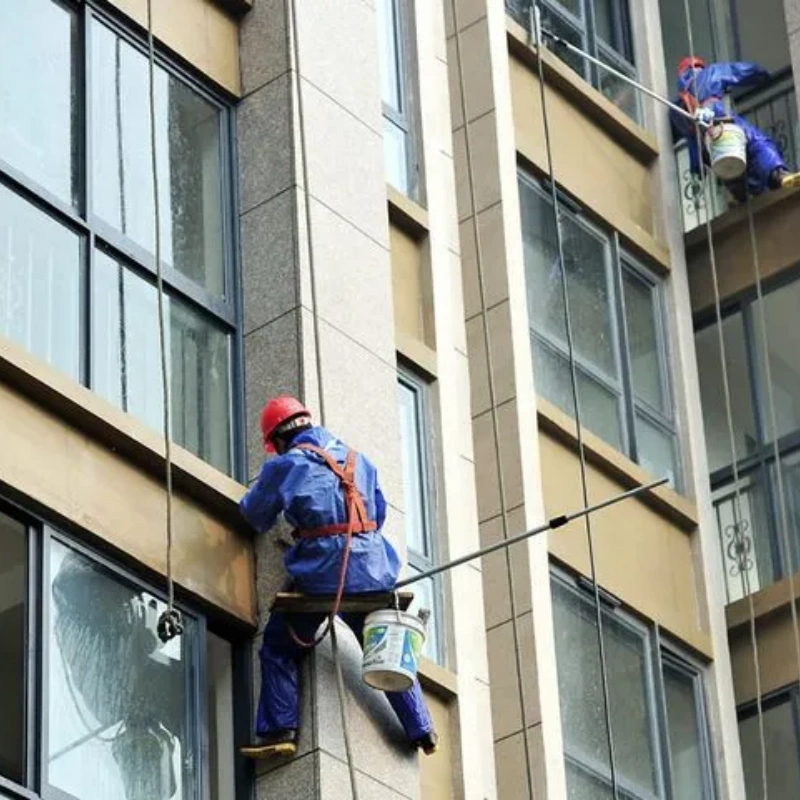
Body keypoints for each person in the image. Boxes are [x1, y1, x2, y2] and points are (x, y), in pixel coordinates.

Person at [239, 395, 437, 759]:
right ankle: (421, 727)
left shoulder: (288, 463)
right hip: (373, 570)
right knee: (384, 644)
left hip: (323, 571)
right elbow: (376, 514)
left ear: (278, 439)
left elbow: (256, 515)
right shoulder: (359, 460)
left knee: (278, 645)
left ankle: (278, 731)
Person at [670, 56, 800, 200]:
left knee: (729, 166)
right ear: (698, 67)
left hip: (707, 145)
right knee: (758, 144)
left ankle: (741, 196)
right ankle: (778, 176)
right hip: (720, 123)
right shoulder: (710, 73)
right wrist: (762, 74)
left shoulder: (677, 109)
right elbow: (739, 71)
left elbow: (692, 143)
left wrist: (697, 170)